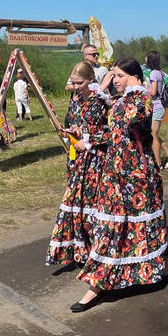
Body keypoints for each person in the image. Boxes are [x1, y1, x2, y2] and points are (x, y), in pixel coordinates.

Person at [71, 58, 168, 312]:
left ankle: (159, 266)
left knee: (144, 222)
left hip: (137, 172)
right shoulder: (119, 100)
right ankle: (96, 285)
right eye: (113, 75)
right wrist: (88, 140)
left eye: (119, 75)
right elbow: (112, 130)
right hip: (114, 171)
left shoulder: (142, 98)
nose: (114, 80)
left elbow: (132, 119)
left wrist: (114, 92)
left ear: (134, 77)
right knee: (109, 226)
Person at [46, 62, 109, 267]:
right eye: (73, 83)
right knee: (75, 201)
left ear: (91, 80)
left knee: (93, 202)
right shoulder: (75, 100)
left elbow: (111, 131)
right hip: (76, 159)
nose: (75, 86)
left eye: (79, 82)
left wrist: (89, 140)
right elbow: (76, 124)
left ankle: (99, 249)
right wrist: (70, 132)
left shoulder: (101, 102)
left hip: (96, 159)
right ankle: (81, 249)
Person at [145, 50, 168, 169]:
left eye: (146, 57)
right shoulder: (159, 72)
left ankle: (158, 163)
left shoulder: (153, 74)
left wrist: (143, 89)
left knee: (153, 135)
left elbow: (153, 91)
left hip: (157, 106)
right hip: (158, 106)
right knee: (153, 134)